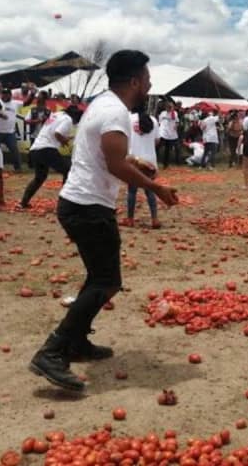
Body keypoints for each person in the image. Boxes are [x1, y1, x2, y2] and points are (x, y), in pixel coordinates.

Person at [28, 50, 179, 392]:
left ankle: (77, 343)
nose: (150, 85)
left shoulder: (103, 104)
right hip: (88, 207)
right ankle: (52, 351)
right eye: (148, 79)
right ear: (135, 81)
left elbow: (110, 154)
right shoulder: (115, 112)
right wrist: (156, 187)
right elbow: (114, 164)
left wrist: (135, 164)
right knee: (107, 281)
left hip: (80, 202)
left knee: (99, 277)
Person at [20, 106, 82, 208]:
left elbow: (53, 132)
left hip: (35, 149)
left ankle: (24, 202)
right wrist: (64, 141)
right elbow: (57, 134)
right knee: (68, 170)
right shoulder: (68, 119)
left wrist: (63, 139)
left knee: (40, 177)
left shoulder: (56, 115)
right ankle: (65, 202)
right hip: (46, 149)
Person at [123, 111, 161, 229]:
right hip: (150, 160)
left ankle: (130, 219)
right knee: (150, 190)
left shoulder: (129, 118)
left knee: (132, 191)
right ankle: (154, 219)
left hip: (135, 159)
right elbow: (157, 141)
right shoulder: (153, 120)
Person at [0, 87, 34, 172]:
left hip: (9, 132)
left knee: (14, 150)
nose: (5, 96)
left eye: (7, 94)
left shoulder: (15, 103)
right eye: (3, 94)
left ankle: (18, 168)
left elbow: (27, 103)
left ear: (10, 95)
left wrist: (32, 94)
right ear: (1, 94)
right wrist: (0, 115)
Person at [157, 101, 181, 167]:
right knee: (158, 146)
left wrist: (176, 125)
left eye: (170, 107)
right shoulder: (163, 113)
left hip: (170, 133)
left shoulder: (174, 113)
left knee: (167, 149)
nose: (169, 108)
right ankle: (155, 160)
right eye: (168, 107)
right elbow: (159, 122)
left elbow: (176, 121)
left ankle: (166, 164)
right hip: (162, 132)